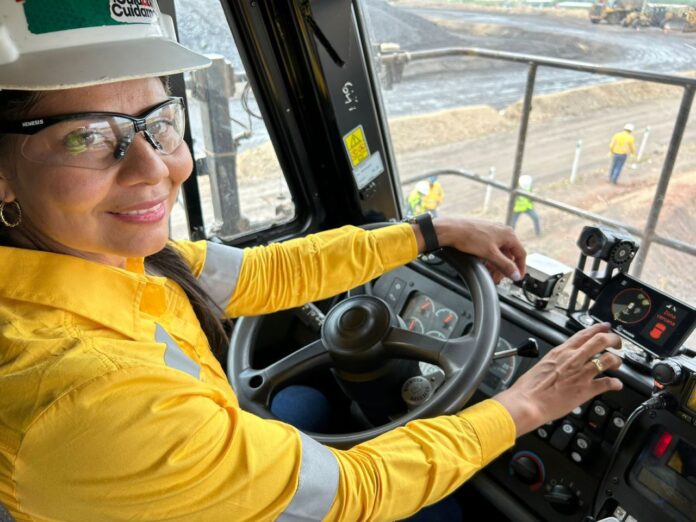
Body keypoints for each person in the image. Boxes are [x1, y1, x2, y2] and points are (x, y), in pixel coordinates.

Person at [0, 3, 623, 521]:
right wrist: (526, 406)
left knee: (304, 405)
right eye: (85, 136)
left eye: (159, 122)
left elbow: (265, 273)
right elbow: (356, 486)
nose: (156, 168)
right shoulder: (94, 399)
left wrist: (430, 230)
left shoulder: (100, 261)